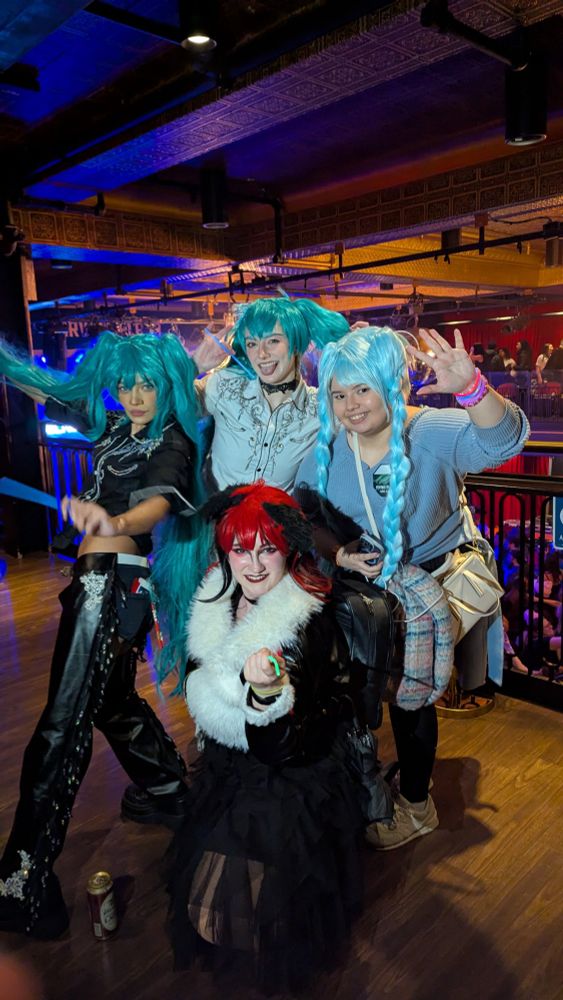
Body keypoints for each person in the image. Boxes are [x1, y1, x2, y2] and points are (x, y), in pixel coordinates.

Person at [0, 332, 209, 939]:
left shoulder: (172, 439)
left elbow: (155, 509)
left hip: (113, 584)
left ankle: (23, 882)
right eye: (126, 384)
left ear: (167, 385)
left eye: (147, 385)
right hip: (97, 579)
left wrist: (113, 518)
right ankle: (169, 789)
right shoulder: (114, 425)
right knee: (111, 700)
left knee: (62, 721)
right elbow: (46, 388)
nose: (135, 396)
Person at [295, 325, 529, 850]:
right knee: (356, 694)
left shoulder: (428, 431)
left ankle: (418, 806)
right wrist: (338, 552)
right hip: (365, 595)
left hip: (432, 590)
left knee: (411, 700)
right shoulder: (327, 448)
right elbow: (305, 516)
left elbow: (506, 440)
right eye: (339, 394)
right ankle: (360, 781)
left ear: (391, 384)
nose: (351, 406)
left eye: (363, 389)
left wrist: (472, 389)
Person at [167, 481, 384, 993]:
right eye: (241, 550)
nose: (254, 565)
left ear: (290, 549)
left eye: (268, 549)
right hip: (232, 763)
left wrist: (266, 694)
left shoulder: (302, 624)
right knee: (215, 909)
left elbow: (282, 745)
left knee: (258, 921)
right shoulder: (218, 597)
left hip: (290, 772)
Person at [191, 296, 351, 491]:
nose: (261, 354)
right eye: (252, 343)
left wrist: (363, 353)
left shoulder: (321, 408)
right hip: (216, 508)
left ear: (297, 344)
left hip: (283, 511)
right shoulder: (225, 385)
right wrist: (193, 366)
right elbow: (164, 406)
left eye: (273, 341)